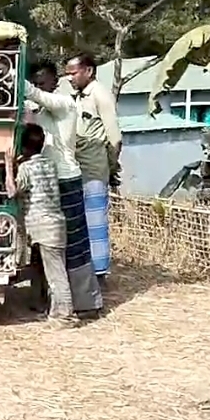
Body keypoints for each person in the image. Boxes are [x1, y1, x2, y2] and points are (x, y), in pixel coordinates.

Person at [16, 61, 103, 316]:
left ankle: (85, 303)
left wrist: (5, 68)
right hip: (47, 180)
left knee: (73, 245)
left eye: (43, 82)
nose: (40, 87)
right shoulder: (40, 111)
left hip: (66, 180)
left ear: (55, 82)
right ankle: (46, 300)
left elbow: (33, 95)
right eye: (36, 82)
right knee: (44, 244)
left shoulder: (65, 104)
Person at [5, 124, 75, 326]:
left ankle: (65, 316)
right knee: (42, 268)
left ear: (24, 147)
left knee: (56, 274)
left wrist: (9, 166)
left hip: (42, 226)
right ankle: (43, 305)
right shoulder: (50, 164)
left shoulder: (26, 168)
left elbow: (12, 191)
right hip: (56, 223)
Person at [66, 53, 121, 284]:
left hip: (95, 170)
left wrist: (110, 167)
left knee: (96, 224)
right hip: (78, 169)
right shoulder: (76, 96)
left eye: (73, 73)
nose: (69, 78)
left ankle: (99, 277)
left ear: (88, 71)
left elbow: (115, 139)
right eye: (67, 74)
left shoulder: (100, 95)